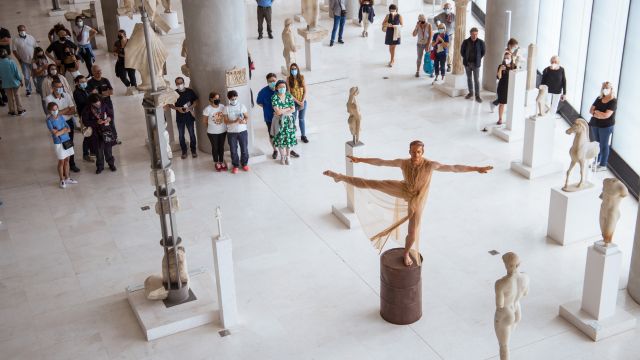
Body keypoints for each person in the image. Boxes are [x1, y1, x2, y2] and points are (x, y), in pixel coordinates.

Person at [323, 140, 492, 266]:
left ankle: (406, 253)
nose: (415, 155)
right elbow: (381, 162)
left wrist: (477, 169)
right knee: (374, 183)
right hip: (403, 188)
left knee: (413, 230)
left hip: (417, 199)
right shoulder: (404, 163)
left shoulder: (430, 165)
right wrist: (360, 159)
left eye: (418, 152)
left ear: (423, 151)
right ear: (409, 151)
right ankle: (340, 177)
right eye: (413, 152)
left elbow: (454, 168)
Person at [45, 79, 80, 172]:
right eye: (58, 87)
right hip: (57, 124)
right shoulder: (49, 98)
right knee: (61, 146)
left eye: (61, 87)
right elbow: (55, 114)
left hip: (68, 122)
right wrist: (66, 110)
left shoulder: (67, 95)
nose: (60, 89)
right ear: (52, 88)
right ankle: (63, 167)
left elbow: (73, 110)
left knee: (70, 143)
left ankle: (71, 164)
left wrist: (61, 112)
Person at [46, 102, 78, 189]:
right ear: (50, 110)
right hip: (59, 143)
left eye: (56, 109)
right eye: (53, 110)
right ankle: (61, 179)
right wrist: (63, 130)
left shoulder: (61, 117)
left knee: (67, 159)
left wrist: (61, 131)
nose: (55, 111)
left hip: (66, 140)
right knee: (61, 161)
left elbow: (69, 129)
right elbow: (55, 134)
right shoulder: (49, 121)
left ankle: (67, 178)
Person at [82, 93, 116, 174]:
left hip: (106, 130)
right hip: (95, 133)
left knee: (108, 149)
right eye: (95, 103)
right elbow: (85, 122)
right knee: (98, 151)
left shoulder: (104, 105)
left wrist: (109, 118)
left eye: (99, 102)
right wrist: (96, 122)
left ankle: (111, 164)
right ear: (91, 103)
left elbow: (110, 113)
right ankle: (100, 167)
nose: (98, 104)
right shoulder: (86, 109)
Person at [589, 82, 617, 171]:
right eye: (604, 87)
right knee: (597, 144)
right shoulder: (599, 98)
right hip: (595, 124)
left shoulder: (613, 101)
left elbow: (606, 115)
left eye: (607, 88)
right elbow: (591, 110)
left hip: (606, 126)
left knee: (604, 145)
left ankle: (603, 165)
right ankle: (596, 160)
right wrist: (597, 113)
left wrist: (596, 112)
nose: (605, 89)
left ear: (611, 89)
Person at [168, 77, 198, 159]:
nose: (179, 84)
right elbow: (170, 105)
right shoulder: (174, 93)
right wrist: (178, 109)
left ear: (184, 83)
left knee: (192, 134)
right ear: (175, 84)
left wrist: (190, 108)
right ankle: (184, 151)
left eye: (180, 83)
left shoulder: (190, 91)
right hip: (180, 118)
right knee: (181, 135)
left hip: (189, 117)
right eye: (177, 83)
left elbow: (195, 101)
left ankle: (193, 150)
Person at [87, 65, 119, 142]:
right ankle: (105, 138)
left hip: (108, 103)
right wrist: (104, 93)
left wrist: (99, 94)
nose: (99, 72)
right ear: (92, 72)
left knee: (111, 120)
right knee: (101, 122)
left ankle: (114, 137)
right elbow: (91, 95)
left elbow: (111, 91)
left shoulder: (105, 80)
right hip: (97, 106)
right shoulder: (90, 82)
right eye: (97, 71)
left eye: (100, 70)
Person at [271, 80, 297, 165]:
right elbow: (277, 112)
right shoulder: (274, 97)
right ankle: (282, 156)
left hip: (288, 121)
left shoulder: (289, 96)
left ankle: (288, 156)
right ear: (277, 88)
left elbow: (293, 109)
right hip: (278, 121)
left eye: (284, 87)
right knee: (280, 139)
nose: (282, 88)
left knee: (288, 139)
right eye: (280, 87)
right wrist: (287, 109)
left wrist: (282, 110)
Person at [224, 90, 250, 173]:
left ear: (237, 97)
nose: (234, 100)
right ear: (229, 99)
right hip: (231, 132)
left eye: (235, 98)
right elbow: (225, 121)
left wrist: (244, 121)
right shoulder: (226, 108)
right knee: (233, 150)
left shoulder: (242, 106)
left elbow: (247, 117)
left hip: (242, 131)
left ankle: (244, 164)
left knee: (244, 149)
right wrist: (235, 121)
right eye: (232, 99)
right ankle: (235, 165)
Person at [202, 92, 227, 171]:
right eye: (215, 98)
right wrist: (211, 127)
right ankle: (216, 162)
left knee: (221, 147)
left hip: (223, 131)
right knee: (215, 147)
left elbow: (226, 117)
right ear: (211, 99)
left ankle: (221, 161)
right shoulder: (207, 109)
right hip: (212, 132)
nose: (217, 100)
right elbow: (205, 121)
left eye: (218, 98)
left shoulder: (222, 107)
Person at [72, 74, 94, 163]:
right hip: (85, 116)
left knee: (93, 134)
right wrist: (92, 97)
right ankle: (85, 154)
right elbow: (83, 103)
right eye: (82, 82)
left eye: (85, 81)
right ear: (77, 83)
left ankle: (92, 151)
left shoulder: (86, 89)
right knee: (87, 134)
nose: (84, 83)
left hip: (91, 115)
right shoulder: (77, 93)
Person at [256, 73, 279, 159]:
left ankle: (287, 149)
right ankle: (275, 150)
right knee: (272, 135)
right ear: (267, 81)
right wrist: (267, 107)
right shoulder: (263, 92)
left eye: (274, 81)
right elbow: (259, 102)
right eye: (270, 81)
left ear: (276, 80)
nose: (272, 82)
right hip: (269, 117)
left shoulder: (280, 89)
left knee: (283, 133)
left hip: (280, 116)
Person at [460, 27, 485, 103]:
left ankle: (477, 96)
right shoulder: (465, 42)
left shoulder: (481, 42)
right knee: (469, 78)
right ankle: (471, 93)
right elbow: (462, 52)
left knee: (476, 80)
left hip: (476, 64)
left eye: (476, 34)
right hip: (467, 64)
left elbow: (483, 52)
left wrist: (477, 58)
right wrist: (466, 58)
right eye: (473, 34)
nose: (474, 36)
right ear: (470, 34)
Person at [11, 25, 37, 96]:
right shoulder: (15, 39)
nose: (22, 32)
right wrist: (19, 59)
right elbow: (14, 50)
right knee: (26, 77)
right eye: (20, 30)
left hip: (33, 60)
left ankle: (38, 88)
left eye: (23, 30)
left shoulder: (31, 37)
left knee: (35, 74)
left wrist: (36, 58)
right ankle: (28, 90)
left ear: (25, 29)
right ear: (18, 31)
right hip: (24, 61)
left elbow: (36, 47)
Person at [287, 63, 309, 143]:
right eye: (292, 69)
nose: (294, 70)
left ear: (297, 69)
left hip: (303, 101)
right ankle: (292, 137)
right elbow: (289, 93)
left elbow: (305, 90)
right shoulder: (288, 79)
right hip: (293, 103)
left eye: (295, 69)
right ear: (290, 70)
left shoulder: (302, 77)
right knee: (293, 119)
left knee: (301, 119)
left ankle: (303, 136)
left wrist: (302, 101)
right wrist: (298, 102)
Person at [0, 48, 25, 116]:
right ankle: (20, 110)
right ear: (6, 54)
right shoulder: (11, 62)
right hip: (15, 82)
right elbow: (16, 73)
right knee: (17, 96)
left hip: (5, 83)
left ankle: (12, 111)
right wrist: (20, 80)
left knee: (9, 97)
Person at [432, 2, 455, 72]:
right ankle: (441, 64)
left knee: (450, 51)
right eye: (445, 8)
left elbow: (458, 25)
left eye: (448, 8)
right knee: (441, 50)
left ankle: (449, 65)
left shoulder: (454, 16)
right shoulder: (441, 15)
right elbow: (435, 18)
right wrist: (438, 25)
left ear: (451, 9)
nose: (447, 9)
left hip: (450, 35)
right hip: (443, 35)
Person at [495, 52, 516, 125]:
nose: (506, 59)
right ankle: (500, 118)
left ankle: (510, 119)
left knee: (511, 104)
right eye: (505, 58)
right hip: (502, 87)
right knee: (502, 104)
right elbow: (499, 77)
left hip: (511, 87)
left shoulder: (514, 66)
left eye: (508, 58)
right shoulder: (501, 66)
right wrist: (500, 69)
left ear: (511, 59)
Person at [0, 26, 11, 106]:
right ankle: (2, 97)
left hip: (6, 55)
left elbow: (8, 42)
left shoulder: (5, 31)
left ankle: (5, 94)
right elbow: (5, 41)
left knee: (6, 75)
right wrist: (2, 40)